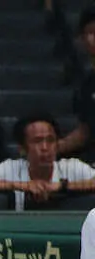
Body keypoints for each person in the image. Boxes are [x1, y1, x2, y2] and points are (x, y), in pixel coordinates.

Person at [0, 112, 95, 211]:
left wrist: (62, 187)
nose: (45, 148)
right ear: (22, 148)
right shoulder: (11, 167)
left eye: (50, 140)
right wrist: (21, 185)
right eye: (37, 141)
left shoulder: (71, 166)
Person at [59, 5, 95, 157]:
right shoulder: (87, 85)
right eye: (91, 32)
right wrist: (50, 149)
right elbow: (85, 132)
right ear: (81, 39)